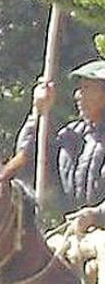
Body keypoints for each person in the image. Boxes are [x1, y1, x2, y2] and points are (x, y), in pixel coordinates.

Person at [18, 59, 105, 230]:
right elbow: (29, 161)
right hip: (72, 230)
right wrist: (38, 113)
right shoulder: (72, 136)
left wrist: (97, 215)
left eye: (86, 88)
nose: (77, 95)